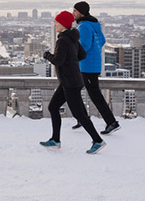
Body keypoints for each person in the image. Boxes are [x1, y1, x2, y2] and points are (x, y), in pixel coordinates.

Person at [40, 11, 106, 155]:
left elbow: (58, 61)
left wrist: (47, 55)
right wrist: (71, 61)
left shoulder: (63, 40)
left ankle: (98, 140)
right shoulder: (72, 38)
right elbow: (82, 54)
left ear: (63, 24)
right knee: (53, 107)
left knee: (80, 115)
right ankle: (55, 140)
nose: (55, 24)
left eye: (57, 22)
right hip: (69, 81)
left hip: (70, 83)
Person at [71, 1, 121, 135]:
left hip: (86, 66)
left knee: (95, 95)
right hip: (92, 64)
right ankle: (83, 118)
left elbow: (84, 46)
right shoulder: (94, 24)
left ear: (81, 13)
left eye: (75, 11)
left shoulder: (84, 26)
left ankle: (111, 122)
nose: (73, 13)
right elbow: (102, 41)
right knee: (76, 91)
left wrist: (72, 50)